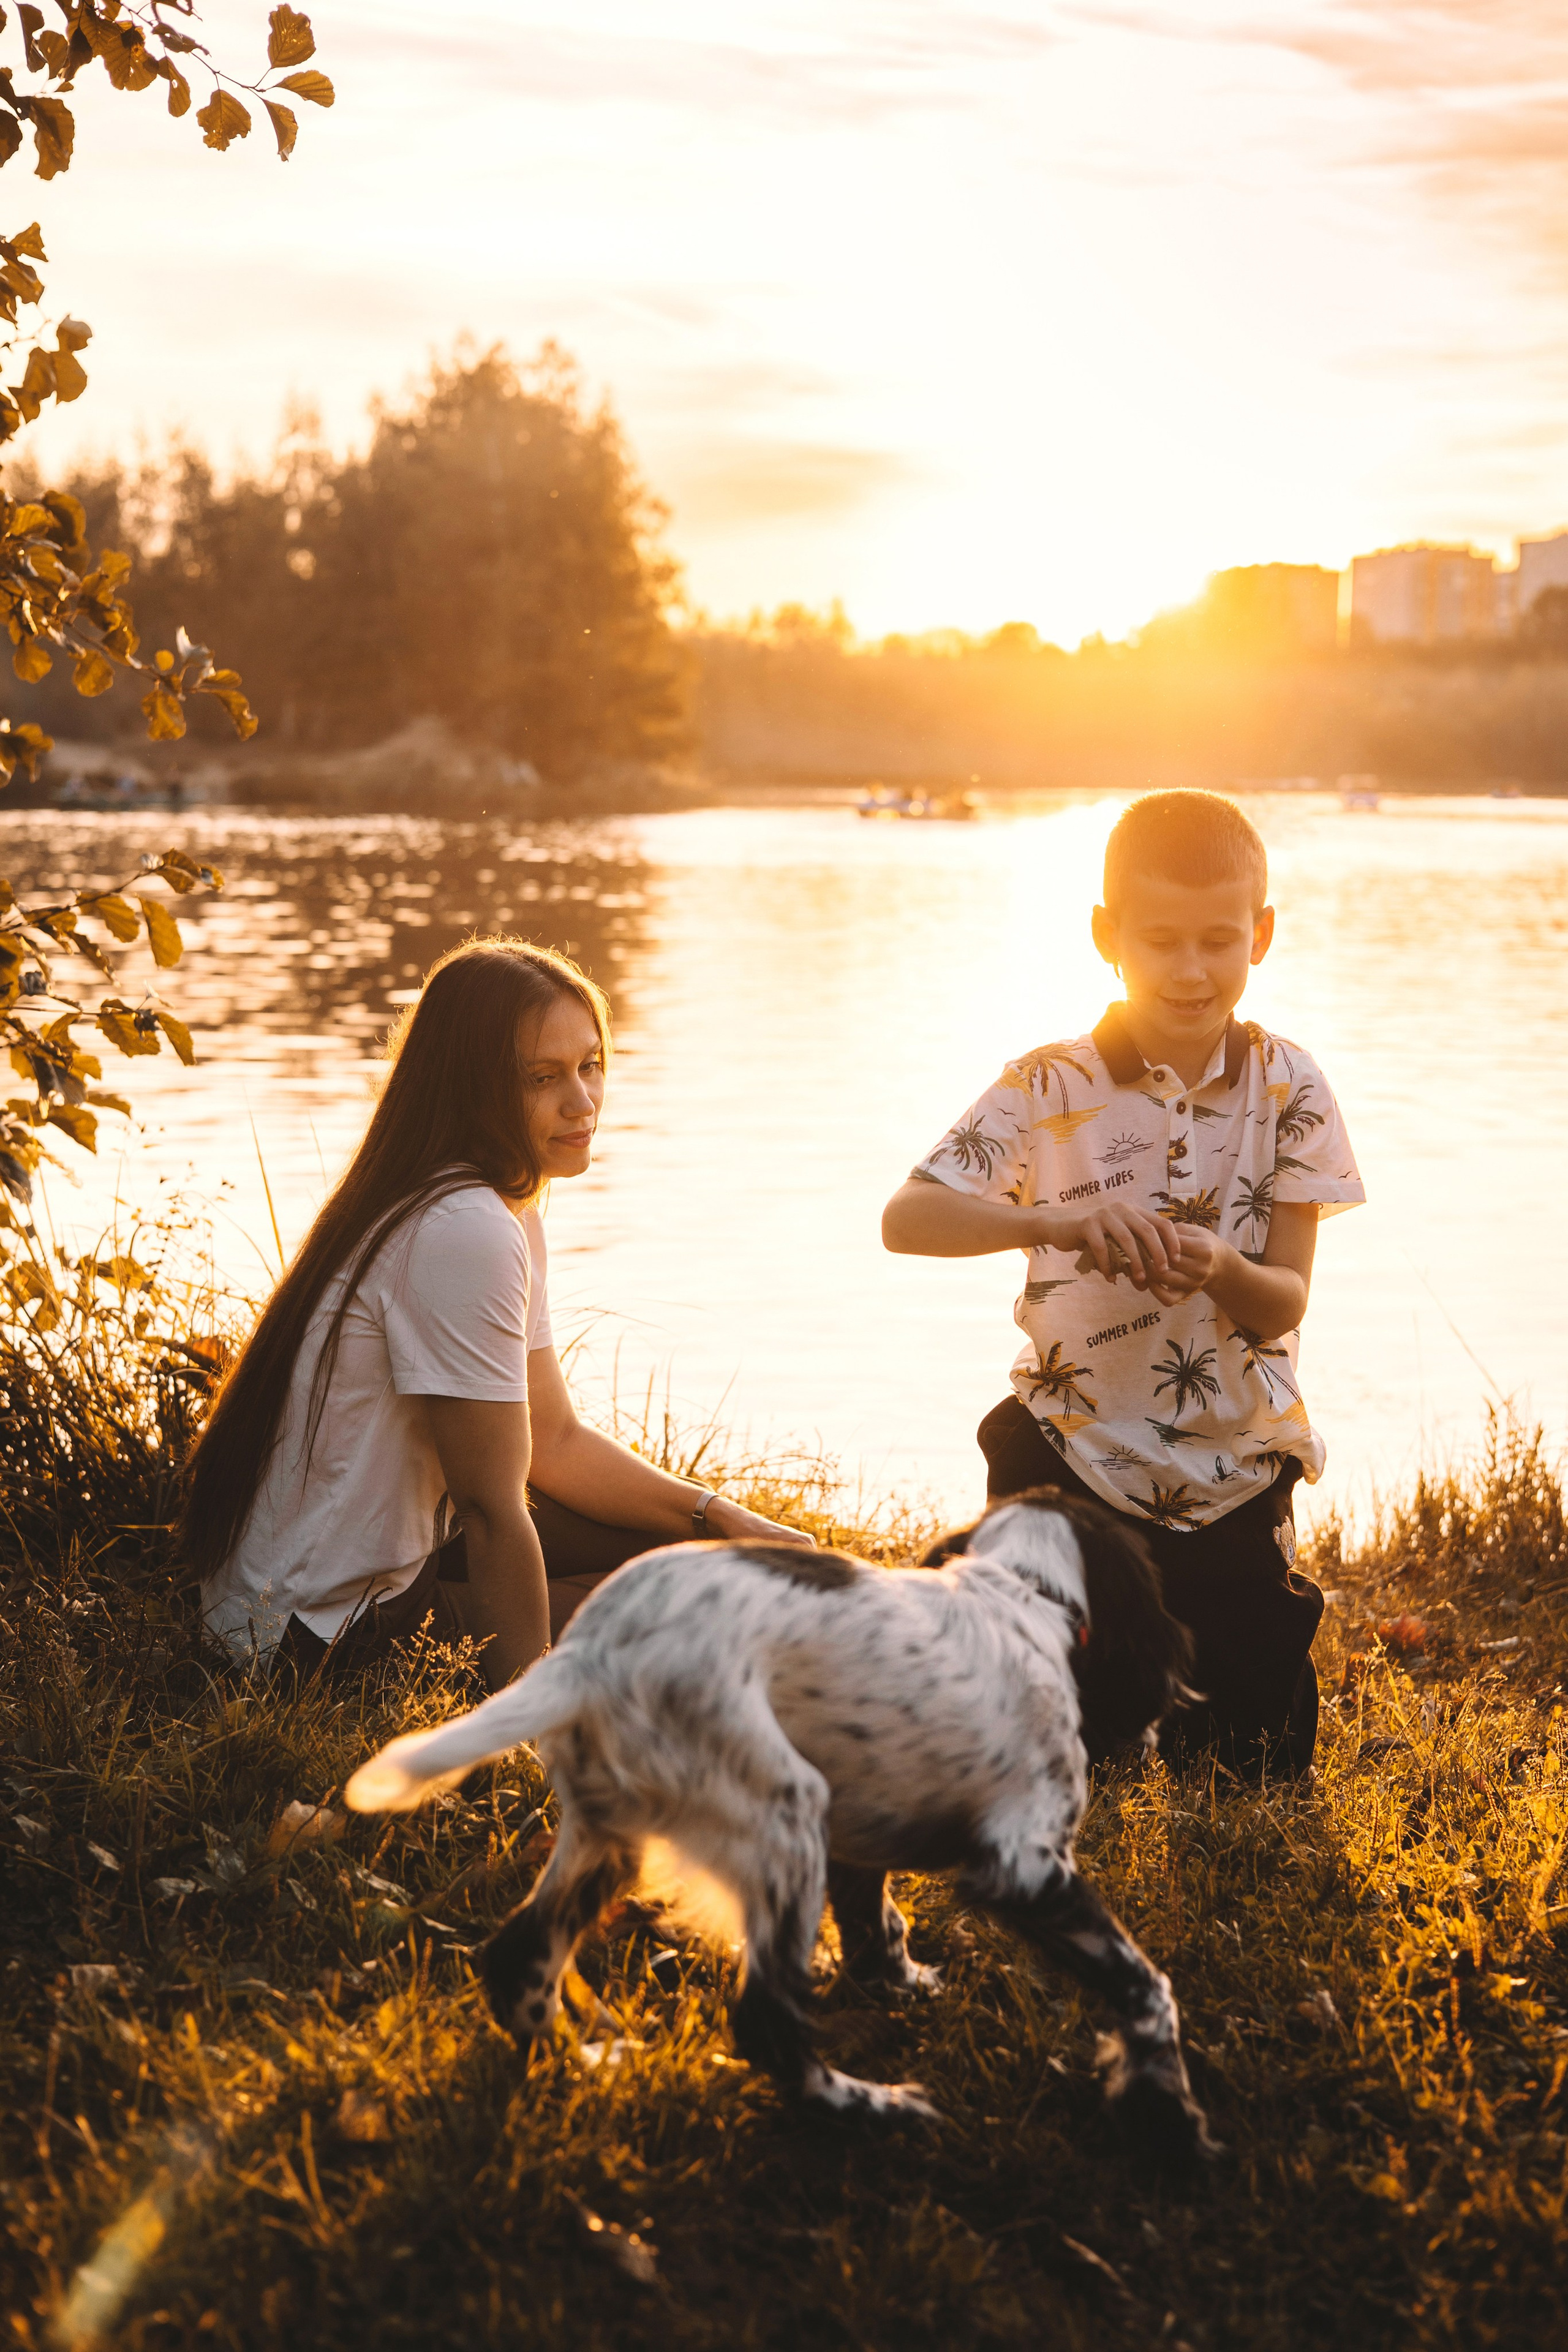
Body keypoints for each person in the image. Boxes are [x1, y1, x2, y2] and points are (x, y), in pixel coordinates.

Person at [881, 791, 1363, 1775]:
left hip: (1232, 1465)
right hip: (1072, 1453)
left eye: (1219, 940)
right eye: (1161, 940)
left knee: (1254, 1761)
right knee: (1041, 1741)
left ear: (1262, 935)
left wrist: (1226, 1270)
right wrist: (1050, 1221)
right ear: (1108, 936)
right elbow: (906, 1220)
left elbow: (1286, 1302)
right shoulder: (1047, 1085)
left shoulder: (1294, 1087)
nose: (1191, 970)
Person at [186, 937, 812, 1688]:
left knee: (699, 1557)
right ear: (470, 1089)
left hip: (312, 1589)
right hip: (310, 1635)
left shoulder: (486, 1205)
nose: (581, 1102)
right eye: (542, 1078)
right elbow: (489, 1507)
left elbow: (553, 1439)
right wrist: (522, 1720)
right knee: (714, 1602)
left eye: (591, 1065)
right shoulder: (462, 1228)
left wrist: (717, 1516)